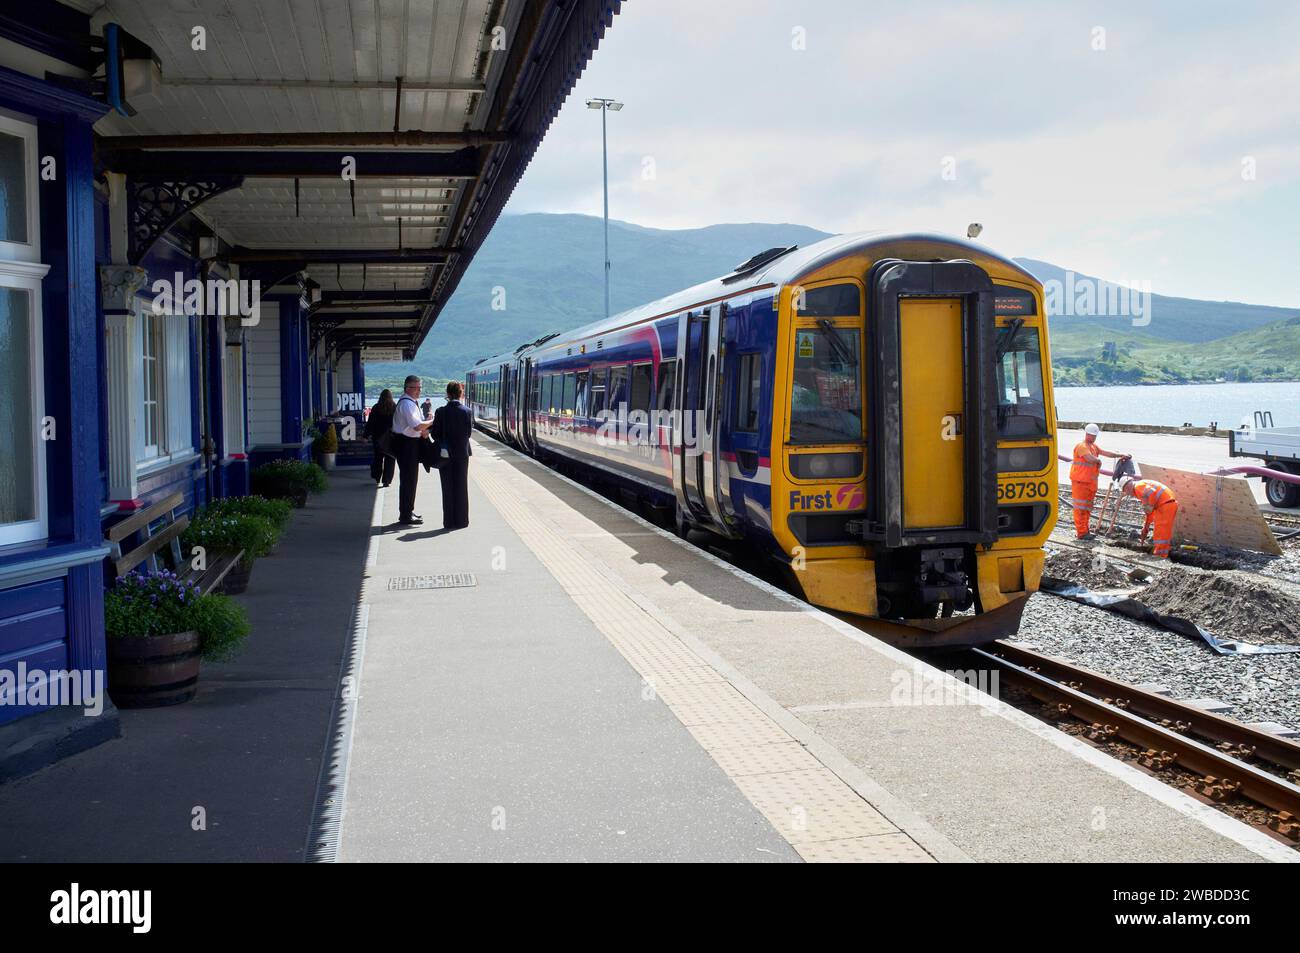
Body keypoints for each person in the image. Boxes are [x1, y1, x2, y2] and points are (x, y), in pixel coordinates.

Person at [1069, 423, 1130, 539]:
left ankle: (1085, 531)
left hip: (1090, 484)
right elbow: (1089, 458)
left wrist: (1120, 455)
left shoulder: (1093, 446)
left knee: (1087, 508)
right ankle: (1081, 533)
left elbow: (1106, 453)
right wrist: (1098, 461)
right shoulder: (1082, 446)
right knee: (1080, 509)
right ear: (1087, 434)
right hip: (1080, 483)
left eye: (1095, 436)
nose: (1093, 438)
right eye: (1092, 436)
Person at [431, 380, 474, 529]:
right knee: (462, 486)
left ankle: (448, 521)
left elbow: (435, 434)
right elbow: (468, 433)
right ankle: (462, 521)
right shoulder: (467, 411)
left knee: (447, 487)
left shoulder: (440, 412)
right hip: (462, 454)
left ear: (447, 394)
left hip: (445, 454)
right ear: (461, 393)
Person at [393, 375, 433, 525]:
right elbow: (417, 426)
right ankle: (405, 514)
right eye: (417, 388)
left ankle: (408, 510)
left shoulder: (410, 402)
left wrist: (424, 427)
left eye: (420, 387)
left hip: (408, 444)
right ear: (408, 388)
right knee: (409, 479)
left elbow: (418, 426)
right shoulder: (407, 404)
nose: (419, 391)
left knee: (410, 479)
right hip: (406, 445)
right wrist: (433, 421)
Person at [1119, 476, 1179, 558]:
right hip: (1165, 504)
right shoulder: (1141, 487)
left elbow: (1150, 492)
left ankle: (1160, 555)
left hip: (1165, 505)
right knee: (1161, 531)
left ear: (1126, 487)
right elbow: (1150, 512)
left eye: (1125, 491)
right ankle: (1162, 553)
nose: (1127, 493)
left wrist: (1147, 504)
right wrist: (1146, 526)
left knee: (1161, 532)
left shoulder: (1137, 487)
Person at [364, 389, 397, 487]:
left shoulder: (376, 407)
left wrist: (365, 436)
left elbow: (370, 423)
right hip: (391, 437)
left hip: (377, 437)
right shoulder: (394, 407)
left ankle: (377, 477)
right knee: (390, 458)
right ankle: (386, 480)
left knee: (378, 458)